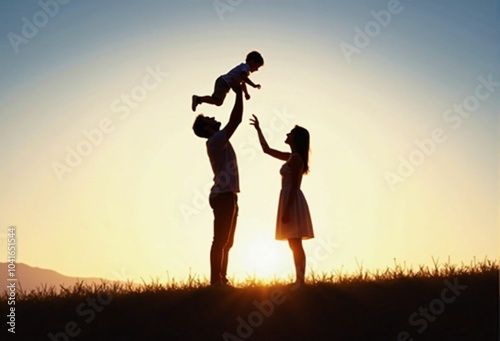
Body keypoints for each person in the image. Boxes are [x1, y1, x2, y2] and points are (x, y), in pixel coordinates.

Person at [250, 114, 314, 285]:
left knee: (296, 243)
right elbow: (267, 150)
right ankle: (299, 280)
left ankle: (300, 281)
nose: (287, 135)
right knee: (294, 243)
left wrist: (286, 210)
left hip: (292, 200)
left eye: (290, 133)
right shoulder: (291, 157)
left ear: (296, 139)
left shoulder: (296, 159)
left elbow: (294, 186)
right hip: (289, 198)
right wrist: (258, 129)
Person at [192, 84, 244, 286]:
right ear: (206, 128)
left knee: (227, 243)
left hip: (228, 194)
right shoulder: (215, 140)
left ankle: (222, 280)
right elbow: (236, 120)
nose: (214, 119)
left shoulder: (217, 139)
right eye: (209, 119)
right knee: (220, 241)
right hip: (222, 195)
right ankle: (216, 283)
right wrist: (239, 93)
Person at [192, 51, 263, 111]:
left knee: (216, 100)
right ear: (252, 61)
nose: (257, 70)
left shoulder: (244, 70)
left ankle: (199, 99)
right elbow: (243, 77)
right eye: (257, 67)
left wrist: (246, 93)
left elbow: (243, 83)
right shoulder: (245, 67)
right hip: (224, 82)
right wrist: (254, 85)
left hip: (223, 82)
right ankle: (198, 99)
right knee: (218, 101)